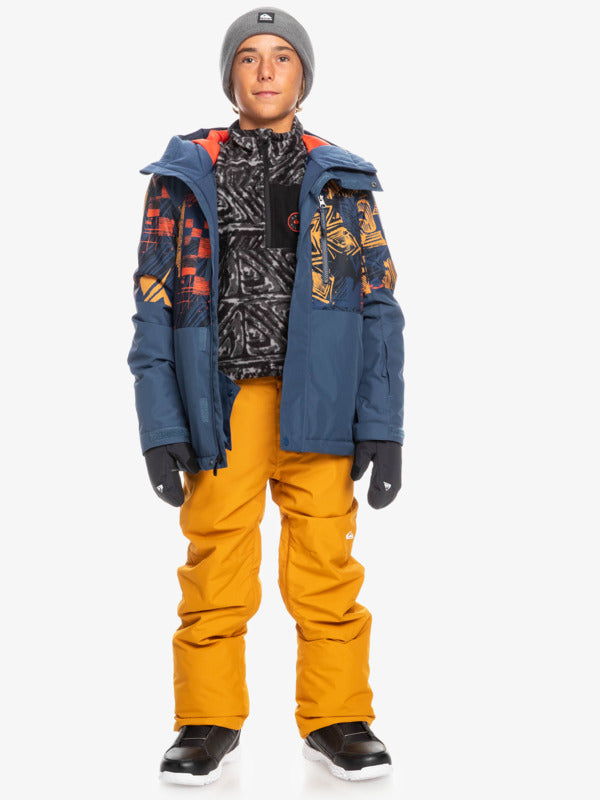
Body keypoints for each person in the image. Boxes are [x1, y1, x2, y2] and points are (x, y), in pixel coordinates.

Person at [127, 5, 405, 786]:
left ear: (303, 75)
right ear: (231, 77)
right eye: (249, 57)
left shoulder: (342, 179)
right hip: (224, 402)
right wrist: (159, 425)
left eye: (281, 56)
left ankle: (337, 717)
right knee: (216, 558)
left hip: (320, 399)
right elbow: (153, 301)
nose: (265, 71)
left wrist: (383, 425)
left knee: (326, 562)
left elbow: (379, 304)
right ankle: (208, 718)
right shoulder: (186, 176)